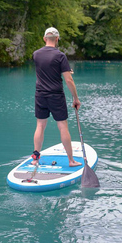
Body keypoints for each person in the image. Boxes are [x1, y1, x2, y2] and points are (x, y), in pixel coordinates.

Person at [31, 27, 82, 167]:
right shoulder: (60, 56)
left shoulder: (36, 54)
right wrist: (75, 99)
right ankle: (71, 161)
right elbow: (68, 80)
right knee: (62, 126)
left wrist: (63, 70)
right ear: (57, 39)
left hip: (40, 94)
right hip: (56, 96)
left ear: (44, 38)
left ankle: (35, 159)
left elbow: (46, 68)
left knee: (40, 125)